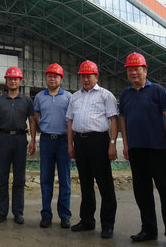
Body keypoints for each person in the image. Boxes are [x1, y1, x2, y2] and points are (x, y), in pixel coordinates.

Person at [119, 52, 166, 247]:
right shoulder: (125, 94)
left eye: (137, 69)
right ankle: (148, 229)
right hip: (136, 150)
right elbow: (123, 121)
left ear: (145, 70)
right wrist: (126, 145)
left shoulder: (158, 91)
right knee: (142, 192)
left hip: (158, 149)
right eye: (130, 70)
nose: (133, 72)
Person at [67, 60, 118, 239]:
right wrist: (70, 144)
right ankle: (87, 220)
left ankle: (107, 224)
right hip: (80, 142)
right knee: (85, 183)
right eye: (83, 76)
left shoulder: (106, 95)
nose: (86, 79)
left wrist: (112, 143)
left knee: (105, 184)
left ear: (96, 76)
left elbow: (113, 120)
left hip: (99, 141)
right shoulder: (75, 97)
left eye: (89, 75)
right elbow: (70, 121)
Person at [0, 66, 36, 224]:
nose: (13, 81)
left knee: (19, 177)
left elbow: (32, 121)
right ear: (6, 81)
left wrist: (33, 141)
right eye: (10, 78)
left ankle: (18, 212)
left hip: (21, 140)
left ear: (20, 81)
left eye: (15, 78)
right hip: (4, 139)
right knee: (2, 176)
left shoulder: (27, 100)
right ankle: (1, 212)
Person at [34, 63, 72, 228]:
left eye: (56, 76)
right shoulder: (39, 97)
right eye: (50, 76)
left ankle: (64, 215)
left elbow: (72, 120)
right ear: (46, 78)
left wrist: (71, 142)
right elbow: (36, 116)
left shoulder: (69, 97)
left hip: (63, 141)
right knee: (45, 179)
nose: (52, 79)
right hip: (46, 140)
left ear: (61, 79)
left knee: (65, 179)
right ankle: (46, 214)